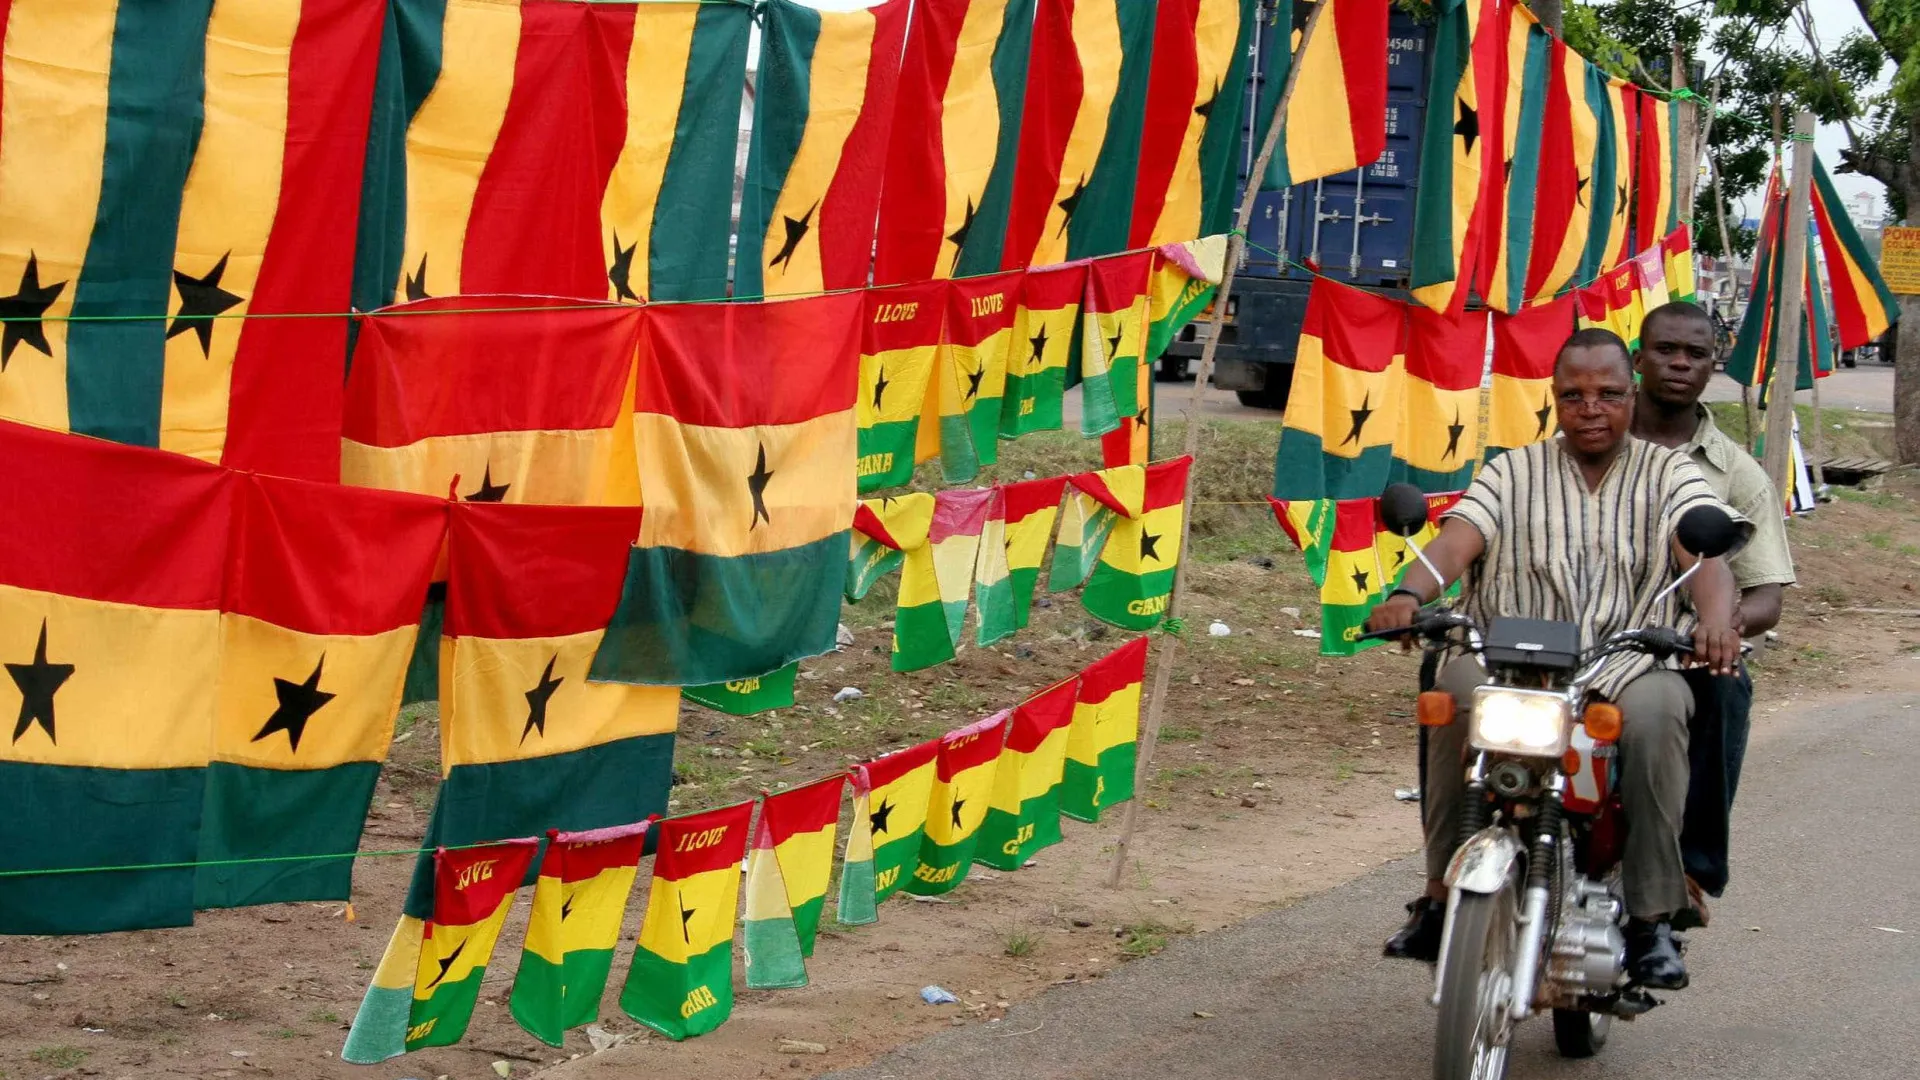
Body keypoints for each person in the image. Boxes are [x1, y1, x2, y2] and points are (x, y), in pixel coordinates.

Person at [1365, 327, 1745, 991]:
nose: (1591, 408)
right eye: (1574, 395)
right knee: (1451, 695)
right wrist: (1406, 594)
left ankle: (1651, 916)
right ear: (1554, 398)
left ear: (1632, 395)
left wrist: (1714, 622)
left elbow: (1703, 559)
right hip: (1507, 662)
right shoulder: (1511, 470)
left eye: (1607, 394)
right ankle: (1434, 894)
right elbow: (1456, 542)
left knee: (1659, 718)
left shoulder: (1670, 473)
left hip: (1624, 664)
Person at [1629, 301, 1795, 922]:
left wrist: (1717, 628)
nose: (1678, 363)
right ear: (1638, 357)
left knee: (1727, 689)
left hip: (1674, 651)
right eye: (1666, 349)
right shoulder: (1586, 438)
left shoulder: (1738, 474)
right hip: (1577, 638)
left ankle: (1688, 871)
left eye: (1695, 354)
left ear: (1711, 367)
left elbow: (1768, 595)